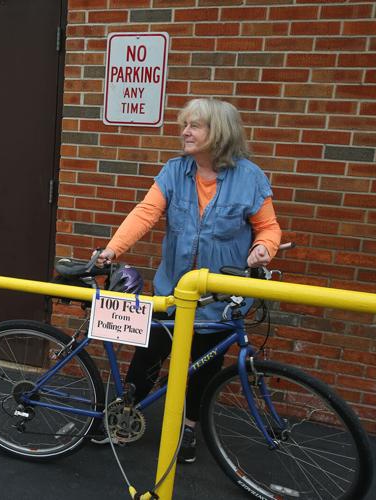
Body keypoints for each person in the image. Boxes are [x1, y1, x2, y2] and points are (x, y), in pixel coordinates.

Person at [95, 98, 281, 463]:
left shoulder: (250, 178)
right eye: (185, 124)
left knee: (204, 369)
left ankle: (189, 429)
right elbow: (146, 213)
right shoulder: (174, 171)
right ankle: (124, 416)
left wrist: (264, 248)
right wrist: (112, 251)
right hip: (172, 293)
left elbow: (268, 227)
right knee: (148, 356)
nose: (185, 132)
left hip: (219, 301)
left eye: (195, 125)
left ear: (220, 133)